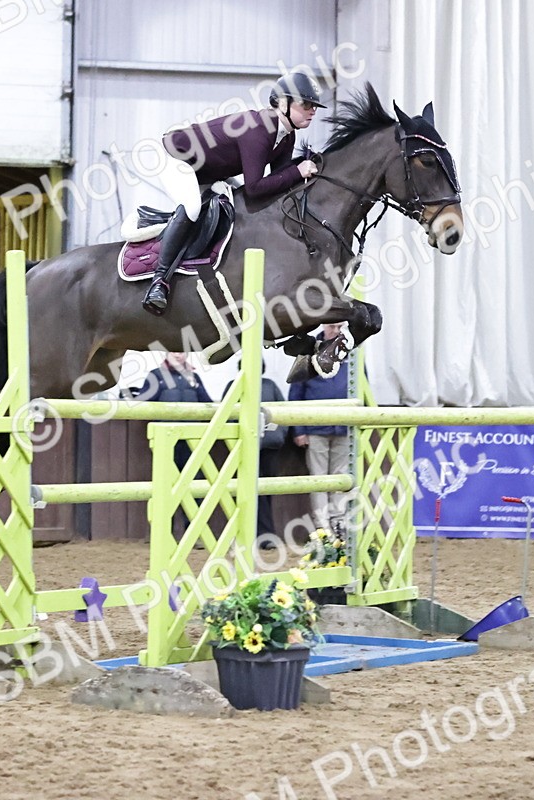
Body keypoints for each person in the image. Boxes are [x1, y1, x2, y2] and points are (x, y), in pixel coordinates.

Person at [142, 71, 325, 315]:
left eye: (314, 106)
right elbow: (255, 188)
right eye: (306, 104)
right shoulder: (259, 129)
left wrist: (307, 167)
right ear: (282, 103)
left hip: (207, 172)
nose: (312, 110)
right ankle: (159, 282)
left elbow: (279, 181)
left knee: (235, 206)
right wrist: (298, 170)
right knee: (193, 206)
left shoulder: (286, 135)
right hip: (175, 157)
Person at [137, 352, 213, 536]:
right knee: (165, 487)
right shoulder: (155, 376)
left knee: (193, 486)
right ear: (167, 353)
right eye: (175, 351)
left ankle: (193, 533)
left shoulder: (194, 377)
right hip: (166, 442)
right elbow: (142, 403)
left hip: (191, 441)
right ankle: (163, 533)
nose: (178, 355)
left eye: (182, 352)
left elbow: (207, 404)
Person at [288, 323, 350, 531]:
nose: (336, 330)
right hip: (315, 428)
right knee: (319, 481)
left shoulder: (351, 351)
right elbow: (296, 391)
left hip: (344, 426)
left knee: (341, 479)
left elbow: (360, 384)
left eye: (340, 326)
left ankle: (339, 525)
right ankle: (323, 530)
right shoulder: (308, 349)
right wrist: (299, 429)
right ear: (324, 325)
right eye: (333, 326)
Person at [224, 360, 288, 548]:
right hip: (244, 446)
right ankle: (263, 535)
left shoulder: (270, 386)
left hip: (269, 447)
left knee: (265, 491)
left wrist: (273, 432)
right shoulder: (234, 386)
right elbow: (228, 413)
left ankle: (259, 535)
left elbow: (280, 412)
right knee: (248, 490)